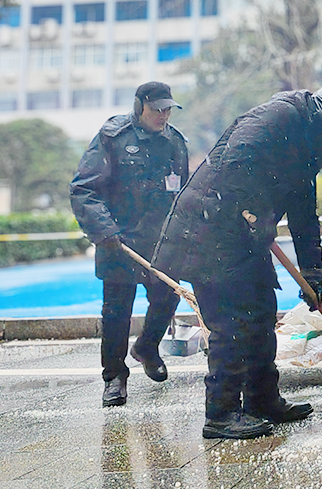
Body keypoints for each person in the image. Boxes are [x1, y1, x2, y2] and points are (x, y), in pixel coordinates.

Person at [152, 83, 322, 440]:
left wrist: (313, 272)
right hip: (208, 230)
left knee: (261, 311)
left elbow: (304, 216)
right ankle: (220, 414)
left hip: (243, 235)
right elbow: (235, 161)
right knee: (230, 321)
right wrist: (261, 213)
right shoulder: (280, 116)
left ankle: (262, 399)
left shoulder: (305, 147)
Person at [70, 81, 189, 408]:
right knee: (116, 312)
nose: (163, 115)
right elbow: (83, 189)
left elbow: (182, 194)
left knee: (167, 297)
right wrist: (104, 230)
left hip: (159, 242)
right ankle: (114, 377)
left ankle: (147, 347)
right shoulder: (112, 137)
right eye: (157, 109)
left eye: (168, 109)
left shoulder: (176, 143)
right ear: (139, 107)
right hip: (117, 239)